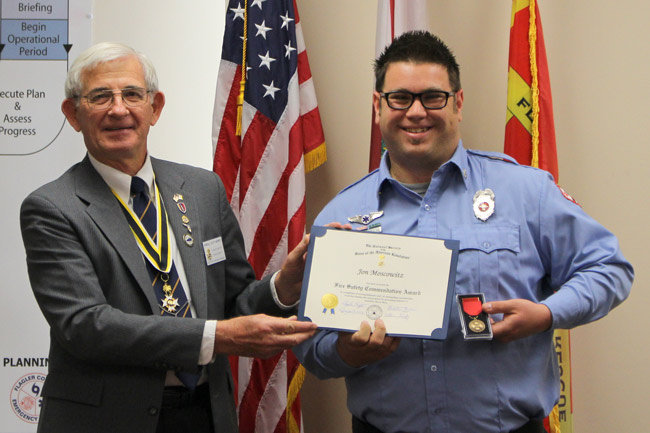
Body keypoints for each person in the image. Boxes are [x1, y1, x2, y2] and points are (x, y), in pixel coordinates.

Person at [293, 31, 633, 433]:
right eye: (400, 98)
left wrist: (546, 314)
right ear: (377, 106)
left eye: (432, 97)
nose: (416, 112)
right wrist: (347, 352)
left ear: (458, 103)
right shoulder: (341, 216)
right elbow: (310, 347)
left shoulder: (526, 191)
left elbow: (609, 269)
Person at [19, 42, 317, 433]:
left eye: (132, 94)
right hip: (107, 420)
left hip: (205, 413)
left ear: (155, 107)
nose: (119, 109)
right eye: (100, 97)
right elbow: (86, 326)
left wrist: (282, 288)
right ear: (73, 114)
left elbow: (234, 302)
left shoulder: (202, 190)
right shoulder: (53, 207)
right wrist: (214, 336)